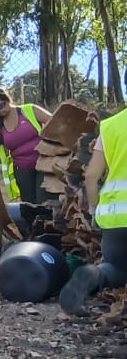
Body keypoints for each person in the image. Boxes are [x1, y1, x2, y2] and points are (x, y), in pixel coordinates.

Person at [59, 104, 127, 313]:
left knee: (116, 269)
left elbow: (91, 176)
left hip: (115, 215)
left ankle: (93, 275)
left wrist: (95, 209)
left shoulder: (110, 126)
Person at [0, 87, 49, 205]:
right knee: (29, 205)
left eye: (1, 106)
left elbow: (56, 122)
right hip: (22, 169)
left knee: (43, 203)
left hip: (44, 164)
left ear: (8, 100)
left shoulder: (29, 110)